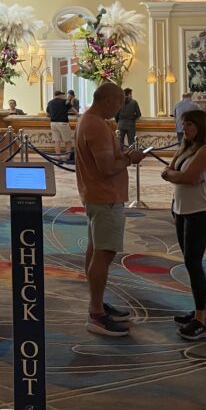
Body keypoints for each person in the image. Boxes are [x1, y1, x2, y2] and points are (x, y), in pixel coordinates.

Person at [75, 83, 146, 337]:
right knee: (104, 254)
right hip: (105, 197)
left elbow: (104, 159)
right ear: (107, 100)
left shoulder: (89, 120)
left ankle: (97, 302)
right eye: (119, 104)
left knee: (96, 250)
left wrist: (122, 153)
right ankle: (96, 314)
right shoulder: (96, 125)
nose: (119, 109)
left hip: (97, 195)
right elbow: (106, 167)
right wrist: (130, 159)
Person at [161, 109, 206, 341]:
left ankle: (201, 319)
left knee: (193, 262)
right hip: (182, 208)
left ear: (200, 126)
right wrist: (172, 175)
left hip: (201, 210)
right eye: (183, 124)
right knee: (188, 261)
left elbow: (188, 177)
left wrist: (173, 175)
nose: (184, 128)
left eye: (189, 125)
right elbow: (172, 171)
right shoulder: (187, 147)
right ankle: (200, 311)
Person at [46, 91, 73, 155]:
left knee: (57, 141)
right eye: (62, 95)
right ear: (60, 95)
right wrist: (78, 115)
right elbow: (72, 109)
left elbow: (47, 114)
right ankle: (67, 157)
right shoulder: (64, 101)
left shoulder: (50, 102)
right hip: (63, 123)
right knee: (68, 141)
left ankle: (58, 156)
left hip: (53, 123)